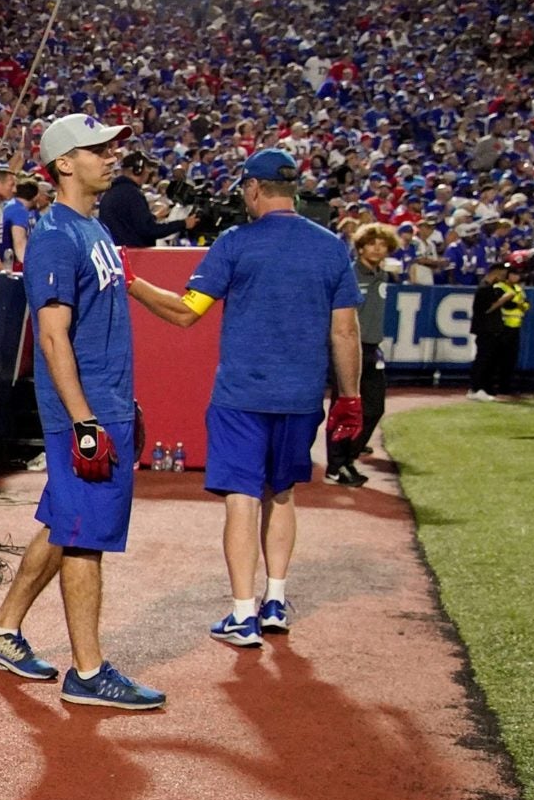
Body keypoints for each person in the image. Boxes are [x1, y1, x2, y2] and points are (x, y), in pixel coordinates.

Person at [127, 148, 362, 646]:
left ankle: (241, 613)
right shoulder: (331, 247)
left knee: (242, 498)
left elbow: (187, 312)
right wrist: (351, 396)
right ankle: (275, 600)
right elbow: (345, 333)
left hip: (242, 394)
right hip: (300, 396)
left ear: (253, 189)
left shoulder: (236, 242)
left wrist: (134, 284)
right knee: (283, 494)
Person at [0, 113, 165, 712]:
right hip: (85, 414)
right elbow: (52, 337)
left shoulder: (94, 228)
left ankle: (1, 631)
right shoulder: (57, 234)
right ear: (63, 164)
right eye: (97, 148)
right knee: (84, 542)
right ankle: (88, 671)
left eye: (112, 147)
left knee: (65, 527)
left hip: (106, 405)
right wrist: (85, 421)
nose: (112, 156)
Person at [327, 222, 397, 483]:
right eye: (372, 243)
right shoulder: (350, 274)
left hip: (372, 347)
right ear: (360, 246)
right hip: (348, 346)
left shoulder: (383, 275)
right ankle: (336, 466)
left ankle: (349, 458)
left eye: (382, 245)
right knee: (344, 405)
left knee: (373, 408)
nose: (378, 249)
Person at [98, 149, 193, 249]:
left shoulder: (113, 191)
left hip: (117, 254)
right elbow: (149, 230)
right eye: (147, 167)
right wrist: (183, 223)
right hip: (132, 257)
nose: (149, 172)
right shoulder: (131, 193)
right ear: (137, 169)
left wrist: (154, 217)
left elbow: (132, 224)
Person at [467, 260, 524, 401]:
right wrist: (504, 299)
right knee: (482, 359)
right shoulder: (485, 288)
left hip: (492, 329)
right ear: (495, 273)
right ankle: (475, 389)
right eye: (502, 274)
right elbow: (488, 308)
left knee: (489, 360)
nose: (502, 277)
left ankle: (484, 388)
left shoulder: (490, 287)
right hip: (485, 328)